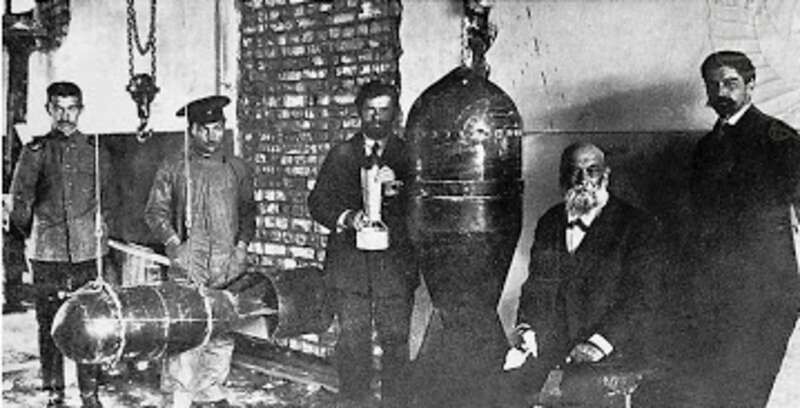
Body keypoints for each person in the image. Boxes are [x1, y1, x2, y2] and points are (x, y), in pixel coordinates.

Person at [687, 50, 800, 407]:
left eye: (731, 83)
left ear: (751, 85)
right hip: (719, 286)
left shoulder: (778, 139)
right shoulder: (707, 146)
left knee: (754, 384)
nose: (721, 92)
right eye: (713, 85)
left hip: (766, 286)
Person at [507, 142, 659, 403]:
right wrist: (526, 327)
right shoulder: (550, 221)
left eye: (591, 170)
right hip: (556, 352)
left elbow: (642, 298)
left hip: (614, 352)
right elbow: (536, 285)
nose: (582, 180)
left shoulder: (637, 226)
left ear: (606, 175)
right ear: (562, 177)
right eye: (573, 171)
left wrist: (599, 344)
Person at [308, 81, 418, 408]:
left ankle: (395, 403)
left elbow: (425, 206)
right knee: (352, 342)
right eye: (370, 110)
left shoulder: (409, 156)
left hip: (394, 268)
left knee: (396, 340)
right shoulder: (341, 155)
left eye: (384, 110)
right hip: (350, 268)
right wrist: (347, 217)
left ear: (395, 113)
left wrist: (399, 189)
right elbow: (317, 202)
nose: (377, 117)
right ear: (359, 112)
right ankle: (354, 402)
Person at [144, 95, 255, 408]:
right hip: (188, 260)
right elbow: (155, 212)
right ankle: (179, 395)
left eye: (217, 128)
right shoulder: (174, 167)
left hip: (226, 260)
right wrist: (173, 244)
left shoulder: (237, 168)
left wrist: (241, 248)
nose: (211, 136)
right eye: (204, 129)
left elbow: (249, 213)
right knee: (185, 326)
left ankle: (211, 390)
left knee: (222, 325)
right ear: (191, 130)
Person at [8, 81, 114, 408]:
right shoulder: (35, 152)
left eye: (72, 108)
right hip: (48, 254)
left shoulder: (96, 153)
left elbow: (109, 199)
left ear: (81, 110)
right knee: (49, 323)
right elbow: (20, 204)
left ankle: (89, 393)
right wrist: (35, 236)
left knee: (91, 324)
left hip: (87, 253)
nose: (66, 116)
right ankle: (55, 392)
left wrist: (99, 232)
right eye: (59, 109)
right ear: (49, 110)